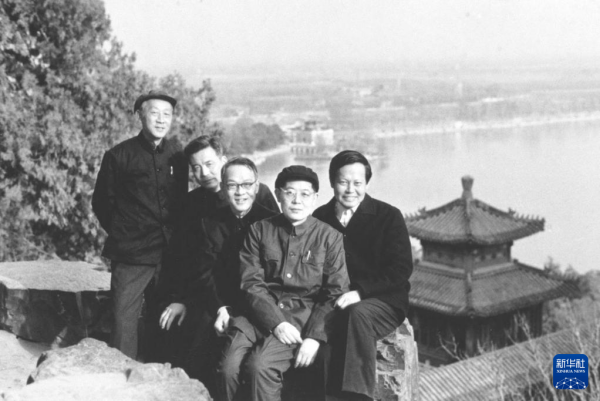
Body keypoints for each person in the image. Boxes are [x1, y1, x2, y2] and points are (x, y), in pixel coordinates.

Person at [216, 165, 349, 401]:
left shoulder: (329, 238)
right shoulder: (259, 231)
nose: (297, 201)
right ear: (278, 195)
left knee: (260, 366)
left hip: (300, 320)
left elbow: (335, 292)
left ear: (315, 198)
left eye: (305, 194)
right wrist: (276, 323)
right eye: (289, 193)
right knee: (227, 367)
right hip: (254, 316)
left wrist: (314, 337)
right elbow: (251, 283)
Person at [157, 157, 277, 393]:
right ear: (223, 188)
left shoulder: (271, 221)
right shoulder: (210, 223)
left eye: (246, 185)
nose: (240, 192)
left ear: (256, 186)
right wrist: (220, 307)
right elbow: (204, 271)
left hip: (259, 303)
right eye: (232, 186)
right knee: (197, 344)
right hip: (221, 298)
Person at [92, 90, 188, 360]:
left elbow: (181, 201)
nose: (161, 119)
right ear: (140, 116)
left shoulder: (178, 156)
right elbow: (102, 203)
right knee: (123, 319)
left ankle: (163, 376)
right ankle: (122, 377)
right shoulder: (118, 155)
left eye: (167, 114)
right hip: (131, 254)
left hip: (169, 254)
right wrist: (125, 233)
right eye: (154, 113)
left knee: (165, 318)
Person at [312, 150, 413, 401]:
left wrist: (359, 292)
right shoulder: (320, 218)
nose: (350, 190)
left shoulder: (388, 216)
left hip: (383, 300)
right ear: (332, 182)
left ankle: (356, 397)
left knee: (356, 314)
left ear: (366, 183)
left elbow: (401, 269)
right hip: (334, 299)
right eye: (343, 182)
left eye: (357, 183)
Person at [182, 135, 279, 219]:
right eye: (196, 167)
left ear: (223, 161)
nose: (204, 173)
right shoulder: (191, 202)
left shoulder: (259, 192)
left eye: (209, 164)